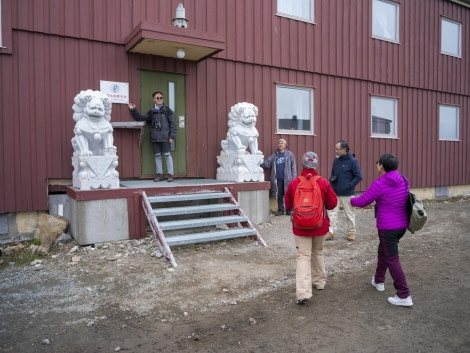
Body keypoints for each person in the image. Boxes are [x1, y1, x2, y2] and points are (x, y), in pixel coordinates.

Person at [350, 154, 413, 307]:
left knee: (392, 258)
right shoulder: (403, 179)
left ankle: (404, 294)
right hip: (401, 226)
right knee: (383, 252)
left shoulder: (380, 183)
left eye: (378, 163)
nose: (377, 164)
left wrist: (349, 200)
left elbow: (363, 201)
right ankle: (379, 280)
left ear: (382, 167)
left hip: (388, 228)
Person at [285, 152, 338, 305]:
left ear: (302, 164)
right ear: (316, 164)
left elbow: (288, 205)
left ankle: (303, 293)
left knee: (303, 256)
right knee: (318, 252)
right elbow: (332, 204)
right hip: (320, 226)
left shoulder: (295, 182)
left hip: (300, 227)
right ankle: (319, 282)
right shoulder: (323, 182)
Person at [128, 92, 176, 182]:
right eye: (157, 98)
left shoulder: (167, 110)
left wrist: (172, 136)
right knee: (157, 156)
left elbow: (173, 124)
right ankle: (160, 175)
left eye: (161, 98)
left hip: (165, 137)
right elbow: (140, 118)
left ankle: (170, 175)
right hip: (155, 138)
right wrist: (133, 110)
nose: (159, 99)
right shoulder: (152, 112)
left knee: (167, 156)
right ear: (154, 99)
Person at [327, 140, 362, 241]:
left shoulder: (353, 161)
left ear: (344, 150)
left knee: (349, 213)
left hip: (347, 193)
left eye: (337, 149)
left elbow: (358, 176)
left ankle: (352, 232)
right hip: (335, 192)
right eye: (335, 149)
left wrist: (349, 185)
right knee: (332, 213)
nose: (336, 151)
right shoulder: (336, 160)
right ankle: (331, 232)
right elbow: (333, 173)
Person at [261, 139, 297, 216]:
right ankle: (281, 209)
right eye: (279, 143)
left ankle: (288, 210)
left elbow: (293, 167)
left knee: (288, 194)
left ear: (285, 145)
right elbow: (267, 163)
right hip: (278, 179)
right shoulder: (275, 155)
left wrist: (294, 178)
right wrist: (258, 162)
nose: (280, 144)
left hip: (288, 179)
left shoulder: (289, 155)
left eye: (282, 143)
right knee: (279, 194)